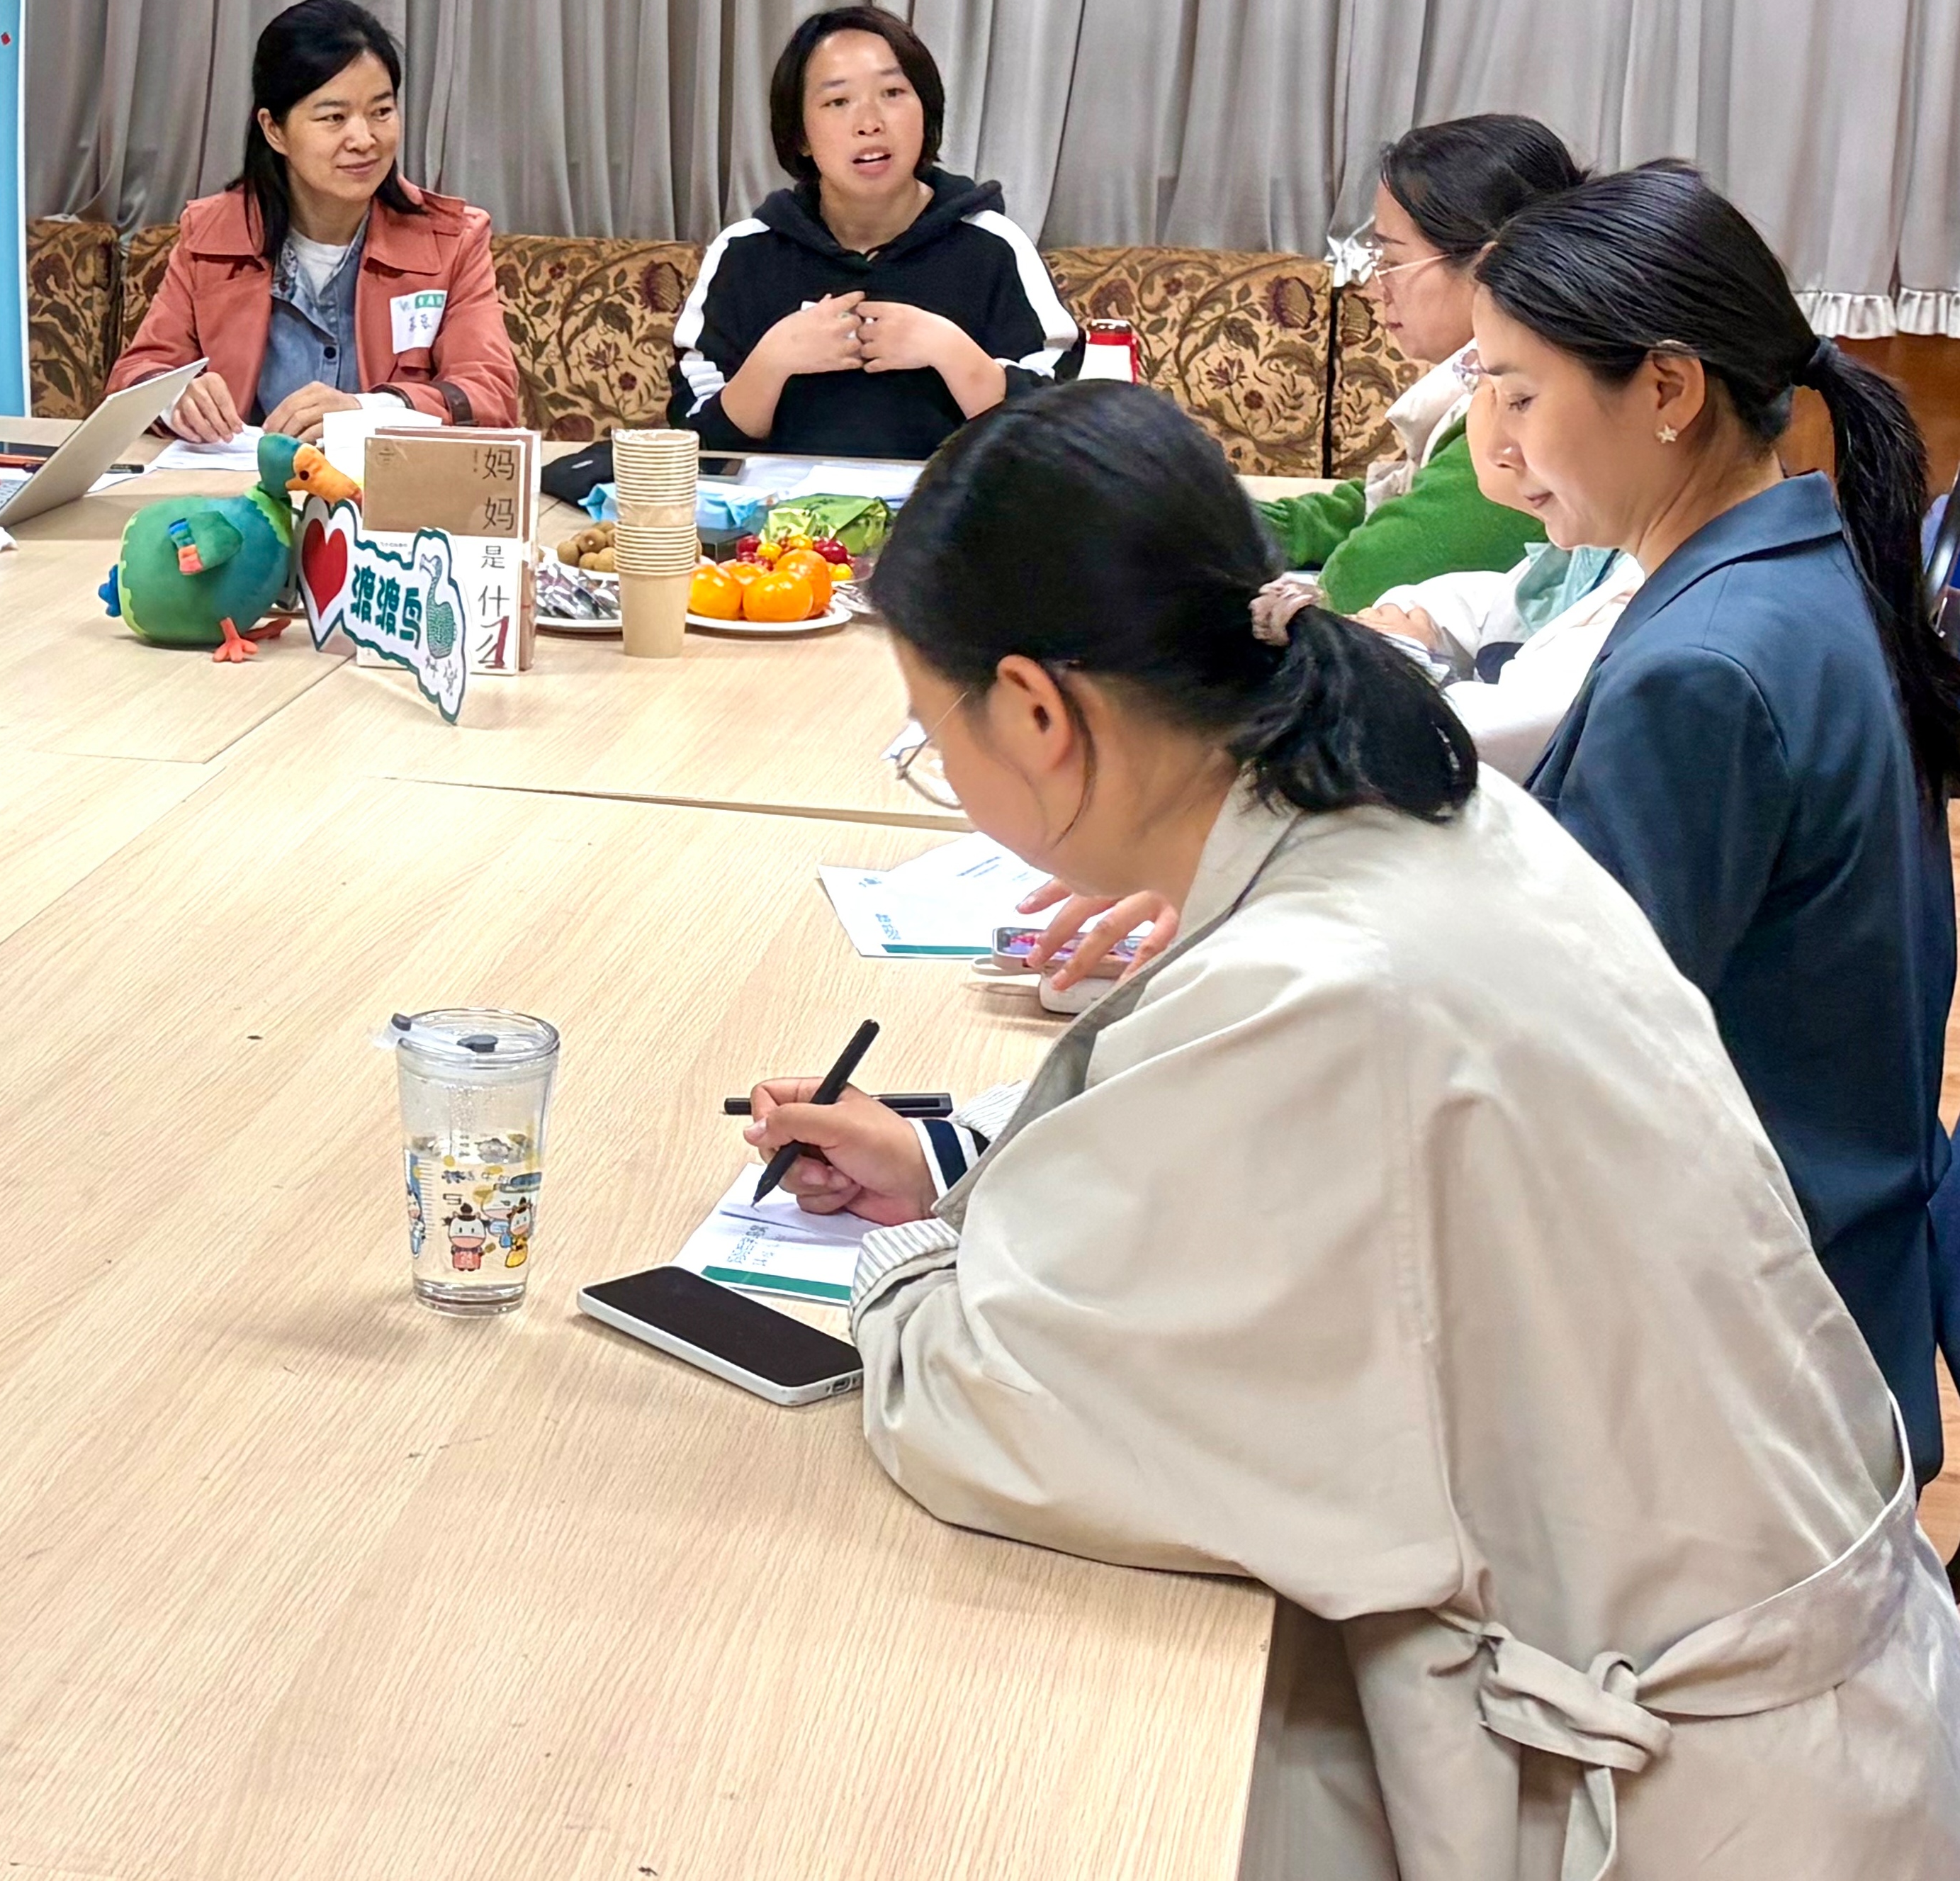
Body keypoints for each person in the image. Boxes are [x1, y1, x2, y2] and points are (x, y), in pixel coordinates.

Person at [745, 381, 1958, 1880]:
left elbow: (1006, 1409)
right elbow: (1240, 1141)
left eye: (937, 737)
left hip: (1713, 1805)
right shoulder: (1404, 806)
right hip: (1771, 1651)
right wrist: (964, 1159)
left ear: (1039, 714)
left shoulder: (1320, 977)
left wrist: (909, 1261)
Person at [1475, 162, 1960, 1475]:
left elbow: (1549, 1051)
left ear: (1668, 392)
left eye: (1519, 393)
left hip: (1733, 1383)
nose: (1498, 446)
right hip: (1819, 1312)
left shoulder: (1704, 668)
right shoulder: (1797, 580)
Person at [662, 5, 1074, 459]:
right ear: (800, 135)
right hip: (777, 506)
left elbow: (1063, 430)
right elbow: (691, 436)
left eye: (893, 92)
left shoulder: (993, 244)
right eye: (838, 101)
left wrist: (953, 354)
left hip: (946, 503)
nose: (870, 123)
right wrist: (772, 361)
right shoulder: (746, 251)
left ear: (926, 111)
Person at [106, 0, 519, 444]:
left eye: (381, 112)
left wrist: (369, 412)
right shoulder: (210, 235)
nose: (364, 139)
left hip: (387, 485)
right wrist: (176, 398)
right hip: (242, 482)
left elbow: (490, 395)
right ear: (274, 130)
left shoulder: (452, 241)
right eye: (334, 117)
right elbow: (136, 374)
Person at [1261, 115, 1576, 610]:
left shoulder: (1526, 403)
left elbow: (1362, 580)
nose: (1374, 288)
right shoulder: (1495, 383)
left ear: (1488, 267)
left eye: (1391, 263)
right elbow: (1394, 503)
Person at [1351, 417, 1638, 781]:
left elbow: (1488, 741)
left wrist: (1406, 663)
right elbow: (1486, 611)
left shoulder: (1645, 593)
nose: (1500, 450)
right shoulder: (1588, 551)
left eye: (1521, 401)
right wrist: (1400, 629)